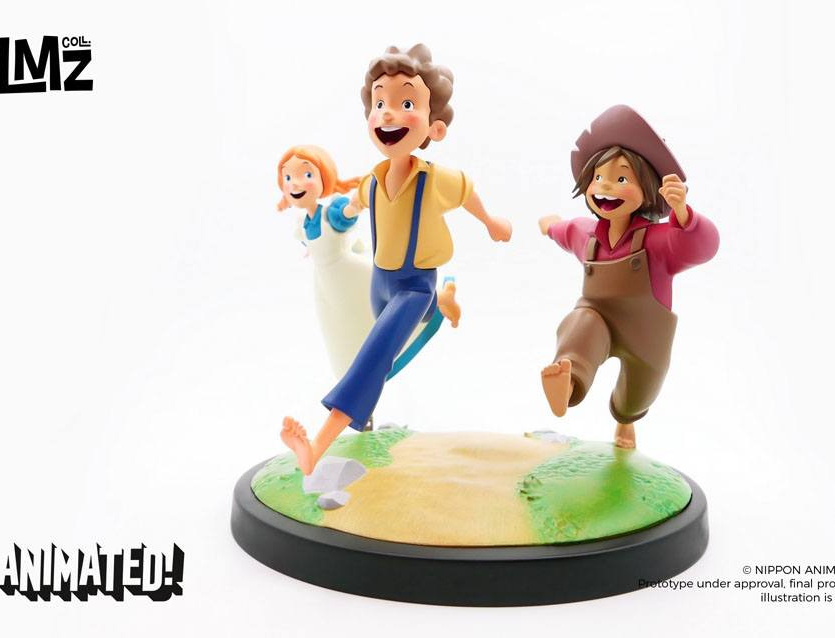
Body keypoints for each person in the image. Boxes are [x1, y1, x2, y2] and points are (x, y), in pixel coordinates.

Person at [281, 44, 512, 475]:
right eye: (379, 103)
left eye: (405, 104)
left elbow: (466, 191)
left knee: (373, 357)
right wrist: (327, 211)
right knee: (366, 349)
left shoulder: (433, 179)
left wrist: (491, 222)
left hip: (413, 286)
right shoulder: (373, 180)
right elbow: (349, 208)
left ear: (434, 128)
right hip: (379, 284)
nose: (388, 113)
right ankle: (443, 306)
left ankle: (316, 447)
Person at [538, 105, 719, 449]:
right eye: (598, 178)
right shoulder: (588, 235)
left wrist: (684, 214)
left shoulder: (658, 241)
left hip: (647, 334)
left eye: (621, 179)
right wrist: (550, 226)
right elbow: (566, 231)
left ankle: (625, 422)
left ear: (647, 188)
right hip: (598, 316)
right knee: (582, 326)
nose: (606, 186)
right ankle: (567, 380)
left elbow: (704, 246)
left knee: (638, 394)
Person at [275, 145, 370, 379]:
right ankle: (354, 377)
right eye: (288, 178)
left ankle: (433, 304)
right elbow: (311, 242)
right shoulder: (302, 224)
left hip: (348, 271)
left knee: (378, 297)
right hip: (327, 284)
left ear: (324, 178)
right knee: (341, 328)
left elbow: (344, 217)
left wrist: (354, 207)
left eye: (307, 174)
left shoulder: (330, 212)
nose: (295, 184)